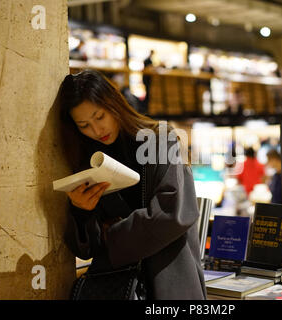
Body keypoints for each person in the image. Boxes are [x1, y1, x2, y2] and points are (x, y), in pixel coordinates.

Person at [58, 69, 206, 300]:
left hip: (170, 281)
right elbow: (86, 250)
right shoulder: (89, 160)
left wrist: (112, 235)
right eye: (84, 125)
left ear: (114, 104)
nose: (96, 130)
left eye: (99, 117)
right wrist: (81, 212)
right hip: (117, 288)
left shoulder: (159, 140)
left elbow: (173, 213)